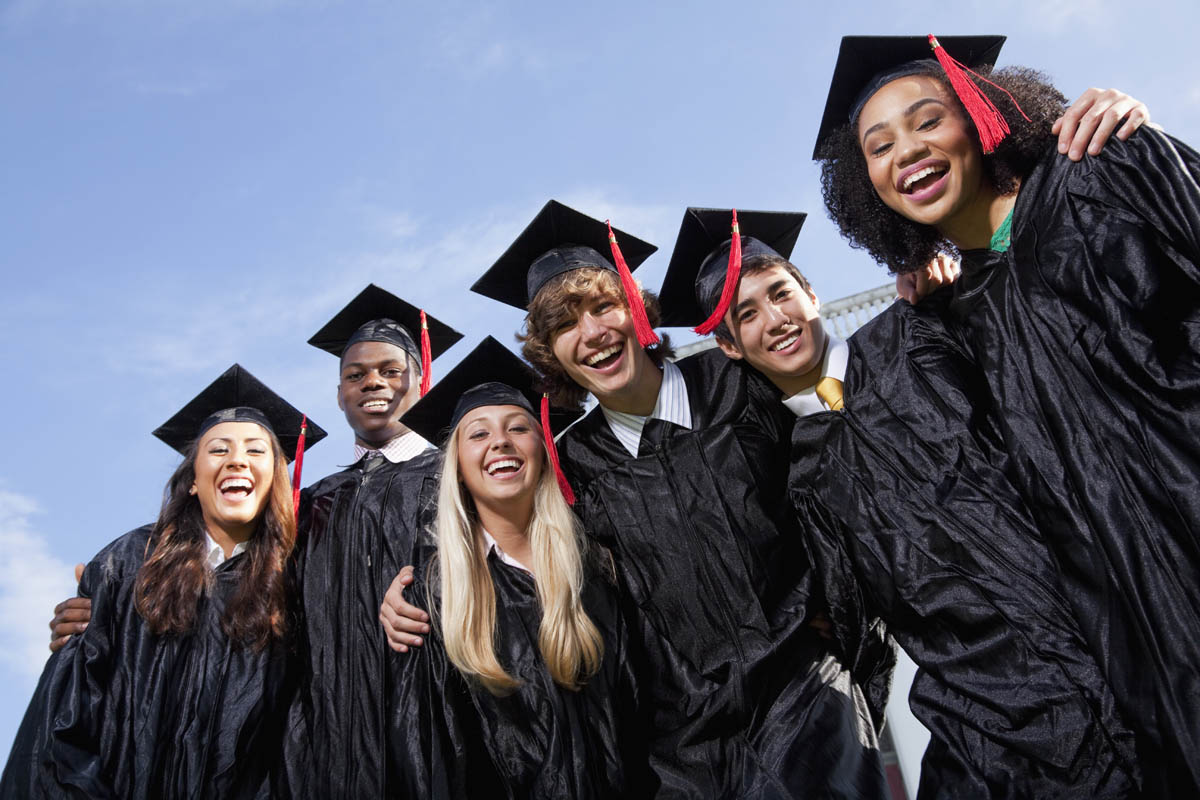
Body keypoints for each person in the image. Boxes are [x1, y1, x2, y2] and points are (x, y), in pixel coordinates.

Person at [814, 34, 1200, 796]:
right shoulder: (945, 320)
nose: (907, 153)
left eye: (928, 121)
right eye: (880, 146)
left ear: (984, 116)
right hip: (1125, 623)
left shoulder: (1107, 171)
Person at [659, 206, 1140, 798]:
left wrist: (954, 274)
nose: (775, 320)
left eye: (781, 293)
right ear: (730, 348)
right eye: (747, 316)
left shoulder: (916, 333)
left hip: (1097, 641)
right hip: (977, 712)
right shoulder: (799, 474)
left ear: (810, 292)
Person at [466, 200, 893, 798]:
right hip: (682, 740)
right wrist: (406, 587)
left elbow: (843, 460)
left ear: (637, 310)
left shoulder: (739, 385)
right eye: (565, 326)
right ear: (550, 353)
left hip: (803, 687)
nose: (591, 333)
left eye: (604, 306)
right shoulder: (568, 465)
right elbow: (506, 543)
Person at [45, 284, 464, 798]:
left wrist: (434, 592)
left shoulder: (460, 476)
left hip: (433, 729)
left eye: (391, 370)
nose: (371, 382)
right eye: (354, 374)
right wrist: (106, 608)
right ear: (338, 393)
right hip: (322, 755)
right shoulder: (311, 508)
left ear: (423, 377)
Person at [1, 365, 326, 799]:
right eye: (218, 449)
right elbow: (64, 722)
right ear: (193, 481)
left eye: (255, 450)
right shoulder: (130, 563)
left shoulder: (302, 580)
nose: (236, 460)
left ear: (275, 479)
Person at [389, 336, 651, 798]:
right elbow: (430, 758)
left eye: (518, 427)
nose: (501, 443)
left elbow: (643, 708)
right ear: (458, 468)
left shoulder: (600, 564)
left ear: (543, 446)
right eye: (479, 433)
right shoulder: (434, 597)